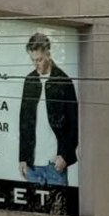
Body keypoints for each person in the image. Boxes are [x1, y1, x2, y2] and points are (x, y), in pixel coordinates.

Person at [18, 32, 78, 185]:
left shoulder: (64, 82)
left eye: (39, 59)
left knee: (58, 208)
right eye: (33, 60)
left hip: (55, 165)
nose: (36, 64)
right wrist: (23, 157)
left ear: (48, 54)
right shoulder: (30, 81)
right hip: (32, 165)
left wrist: (65, 156)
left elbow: (75, 123)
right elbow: (24, 121)